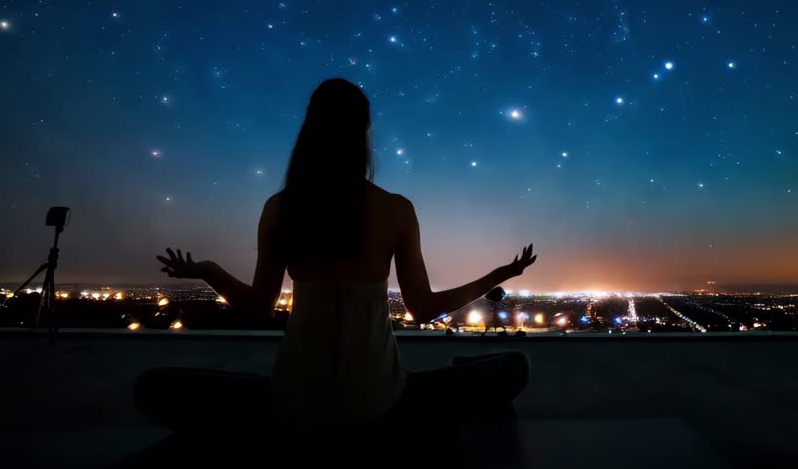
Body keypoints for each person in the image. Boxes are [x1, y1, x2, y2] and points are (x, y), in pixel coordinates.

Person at [135, 78, 536, 432]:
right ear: (364, 131)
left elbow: (258, 307)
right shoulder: (395, 209)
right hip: (379, 402)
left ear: (309, 130)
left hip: (294, 403)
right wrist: (497, 275)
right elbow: (425, 309)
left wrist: (208, 270)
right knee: (515, 366)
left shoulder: (281, 208)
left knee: (153, 386)